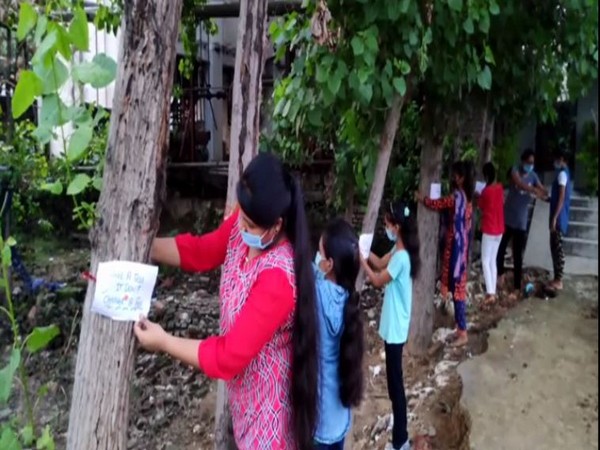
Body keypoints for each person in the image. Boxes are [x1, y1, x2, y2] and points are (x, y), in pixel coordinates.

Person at [134, 153, 319, 450]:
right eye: (239, 216)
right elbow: (202, 251)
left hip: (269, 425)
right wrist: (144, 247)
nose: (239, 226)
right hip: (244, 404)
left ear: (276, 225)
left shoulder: (278, 279)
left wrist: (165, 341)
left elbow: (229, 356)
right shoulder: (243, 226)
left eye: (248, 223)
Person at [360, 201, 421, 450]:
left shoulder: (401, 258)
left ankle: (400, 441)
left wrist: (359, 260)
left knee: (396, 387)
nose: (386, 228)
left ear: (397, 227)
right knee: (394, 384)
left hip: (396, 330)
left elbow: (375, 278)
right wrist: (364, 253)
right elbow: (378, 262)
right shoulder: (398, 252)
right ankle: (400, 438)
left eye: (387, 224)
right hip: (395, 327)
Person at [313, 218, 364, 450]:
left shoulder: (317, 294)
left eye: (319, 253)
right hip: (339, 416)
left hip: (318, 420)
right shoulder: (349, 300)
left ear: (329, 264)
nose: (317, 257)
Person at [416, 161, 474, 348]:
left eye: (456, 175)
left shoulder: (457, 197)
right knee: (457, 289)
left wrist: (422, 198)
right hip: (461, 246)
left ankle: (463, 332)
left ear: (461, 178)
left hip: (456, 248)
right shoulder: (467, 199)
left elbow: (438, 203)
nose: (453, 178)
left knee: (458, 291)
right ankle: (459, 328)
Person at [496, 148, 546, 298]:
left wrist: (542, 192)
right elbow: (519, 183)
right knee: (501, 248)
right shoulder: (515, 170)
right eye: (528, 162)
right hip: (507, 218)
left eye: (532, 163)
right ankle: (500, 274)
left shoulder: (534, 176)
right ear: (523, 161)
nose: (530, 165)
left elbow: (543, 190)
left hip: (521, 222)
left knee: (518, 254)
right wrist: (533, 190)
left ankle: (517, 285)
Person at [476, 162, 505, 309]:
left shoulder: (485, 191)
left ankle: (490, 293)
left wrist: (478, 193)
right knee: (492, 260)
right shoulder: (499, 188)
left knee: (485, 261)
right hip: (499, 229)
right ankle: (492, 289)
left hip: (489, 228)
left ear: (486, 175)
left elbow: (480, 205)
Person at [547, 148, 572, 291]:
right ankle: (557, 278)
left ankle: (559, 280)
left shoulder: (562, 174)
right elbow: (558, 197)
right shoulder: (565, 173)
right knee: (555, 247)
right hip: (560, 215)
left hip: (559, 217)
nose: (554, 162)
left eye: (556, 159)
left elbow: (562, 197)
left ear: (562, 159)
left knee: (557, 249)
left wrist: (554, 218)